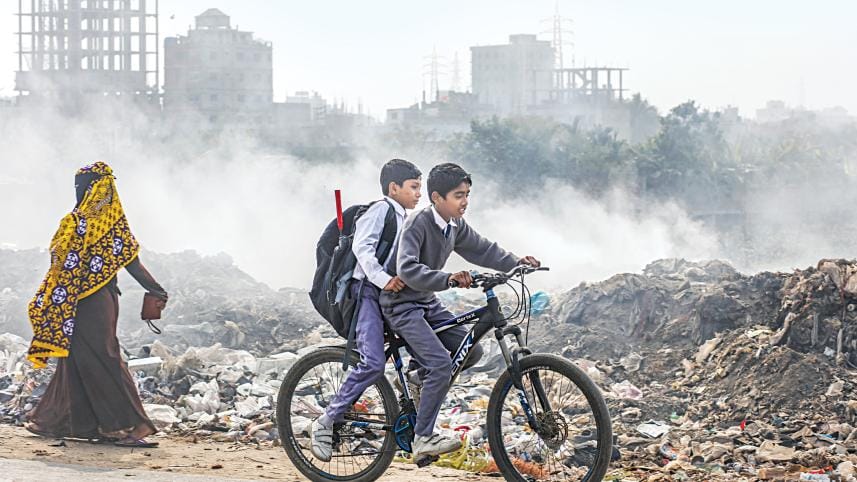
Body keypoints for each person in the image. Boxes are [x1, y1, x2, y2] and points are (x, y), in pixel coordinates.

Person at [380, 163, 540, 459]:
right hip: (401, 304)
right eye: (458, 195)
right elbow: (407, 269)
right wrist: (449, 279)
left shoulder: (454, 225)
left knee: (472, 352)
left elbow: (483, 249)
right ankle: (423, 439)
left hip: (426, 301)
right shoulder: (418, 223)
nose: (465, 201)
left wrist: (517, 262)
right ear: (436, 197)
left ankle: (416, 380)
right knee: (441, 364)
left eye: (467, 194)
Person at [24, 161, 169, 448]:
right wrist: (155, 289)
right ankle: (59, 420)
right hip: (91, 301)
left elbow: (63, 265)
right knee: (74, 357)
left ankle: (133, 425)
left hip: (88, 304)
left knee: (103, 358)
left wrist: (155, 289)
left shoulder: (82, 223)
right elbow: (132, 262)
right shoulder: (104, 223)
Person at [310, 159, 422, 462]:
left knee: (426, 338)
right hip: (366, 294)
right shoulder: (381, 211)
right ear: (393, 188)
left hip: (387, 295)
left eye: (420, 188)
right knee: (373, 363)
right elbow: (363, 249)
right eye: (413, 187)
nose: (418, 194)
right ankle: (326, 421)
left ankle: (413, 382)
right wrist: (385, 280)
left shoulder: (404, 218)